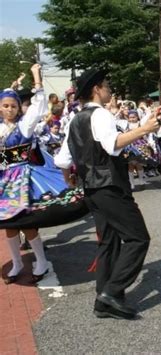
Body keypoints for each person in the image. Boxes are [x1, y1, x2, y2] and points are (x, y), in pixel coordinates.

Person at [54, 68, 159, 320]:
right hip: (110, 186)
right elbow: (112, 145)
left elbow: (63, 160)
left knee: (109, 242)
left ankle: (104, 298)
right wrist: (144, 129)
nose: (109, 89)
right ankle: (111, 293)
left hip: (91, 189)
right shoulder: (100, 114)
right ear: (96, 90)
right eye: (106, 85)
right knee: (137, 238)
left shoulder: (75, 119)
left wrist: (70, 178)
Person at [1, 64, 87, 284]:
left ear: (19, 108)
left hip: (24, 178)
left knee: (27, 223)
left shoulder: (25, 126)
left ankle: (40, 261)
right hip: (5, 179)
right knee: (8, 226)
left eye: (13, 106)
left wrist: (36, 77)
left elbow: (38, 106)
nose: (9, 109)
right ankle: (17, 262)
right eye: (5, 106)